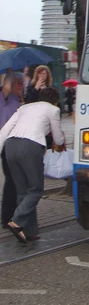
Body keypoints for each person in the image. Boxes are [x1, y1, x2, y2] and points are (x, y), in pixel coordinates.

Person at [0, 86, 65, 244]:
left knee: (22, 192)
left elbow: (5, 129)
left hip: (10, 146)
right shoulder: (53, 110)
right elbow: (58, 139)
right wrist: (61, 141)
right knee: (36, 190)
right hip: (31, 147)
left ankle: (29, 232)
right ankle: (16, 221)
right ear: (55, 100)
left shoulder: (24, 107)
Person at [0, 72, 24, 228]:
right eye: (18, 83)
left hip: (18, 143)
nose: (21, 86)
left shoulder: (19, 100)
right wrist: (9, 72)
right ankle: (7, 217)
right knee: (11, 180)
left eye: (23, 83)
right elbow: (6, 87)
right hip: (6, 143)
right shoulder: (5, 98)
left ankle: (14, 214)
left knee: (17, 180)